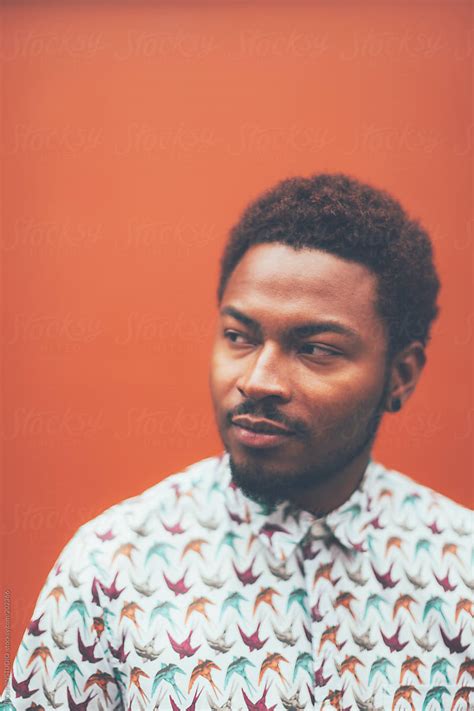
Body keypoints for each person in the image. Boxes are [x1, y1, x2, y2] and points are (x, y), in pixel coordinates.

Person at [2, 173, 472, 711]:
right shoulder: (111, 567)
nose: (258, 380)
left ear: (401, 375)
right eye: (239, 337)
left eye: (316, 349)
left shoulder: (461, 570)